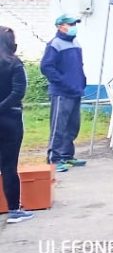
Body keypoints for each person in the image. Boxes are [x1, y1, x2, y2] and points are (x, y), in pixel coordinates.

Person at [40, 14, 87, 173]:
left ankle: (67, 155)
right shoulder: (55, 44)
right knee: (58, 127)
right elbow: (46, 67)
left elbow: (78, 65)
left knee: (73, 125)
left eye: (75, 23)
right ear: (60, 26)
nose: (74, 26)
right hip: (61, 92)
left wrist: (81, 81)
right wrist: (62, 82)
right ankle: (54, 159)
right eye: (71, 23)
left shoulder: (75, 43)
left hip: (75, 90)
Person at [0, 26, 33, 223]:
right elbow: (18, 92)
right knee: (9, 165)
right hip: (10, 119)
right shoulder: (14, 64)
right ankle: (14, 209)